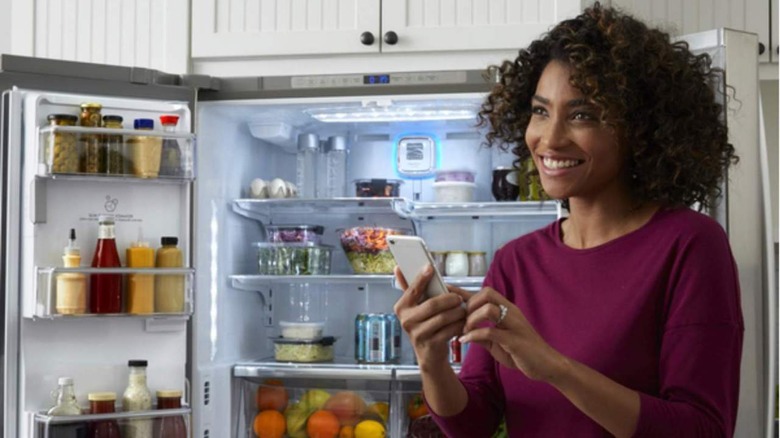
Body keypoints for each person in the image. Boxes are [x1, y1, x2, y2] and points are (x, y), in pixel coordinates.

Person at [393, 4, 743, 438]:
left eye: (582, 115)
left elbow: (702, 428)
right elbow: (473, 423)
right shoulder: (515, 261)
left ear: (640, 128)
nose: (549, 138)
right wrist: (430, 358)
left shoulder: (689, 244)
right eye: (541, 111)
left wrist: (553, 367)